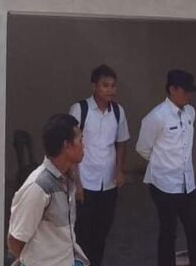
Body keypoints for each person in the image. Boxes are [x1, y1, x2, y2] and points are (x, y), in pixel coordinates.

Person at [136, 69, 196, 266]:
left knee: (195, 229)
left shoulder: (190, 112)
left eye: (190, 91)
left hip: (187, 183)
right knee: (168, 231)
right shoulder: (157, 117)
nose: (189, 95)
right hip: (164, 184)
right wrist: (162, 164)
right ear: (172, 89)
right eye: (185, 91)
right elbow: (143, 148)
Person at [69, 65, 131, 266]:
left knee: (102, 231)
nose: (110, 90)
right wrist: (77, 182)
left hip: (108, 183)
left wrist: (119, 170)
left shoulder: (118, 112)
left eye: (113, 86)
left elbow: (121, 143)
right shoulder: (80, 110)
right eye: (105, 85)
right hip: (85, 182)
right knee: (82, 232)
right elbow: (70, 147)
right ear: (94, 86)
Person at [7, 114, 89, 266]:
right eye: (80, 140)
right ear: (67, 146)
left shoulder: (68, 179)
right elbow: (15, 240)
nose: (84, 145)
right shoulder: (39, 186)